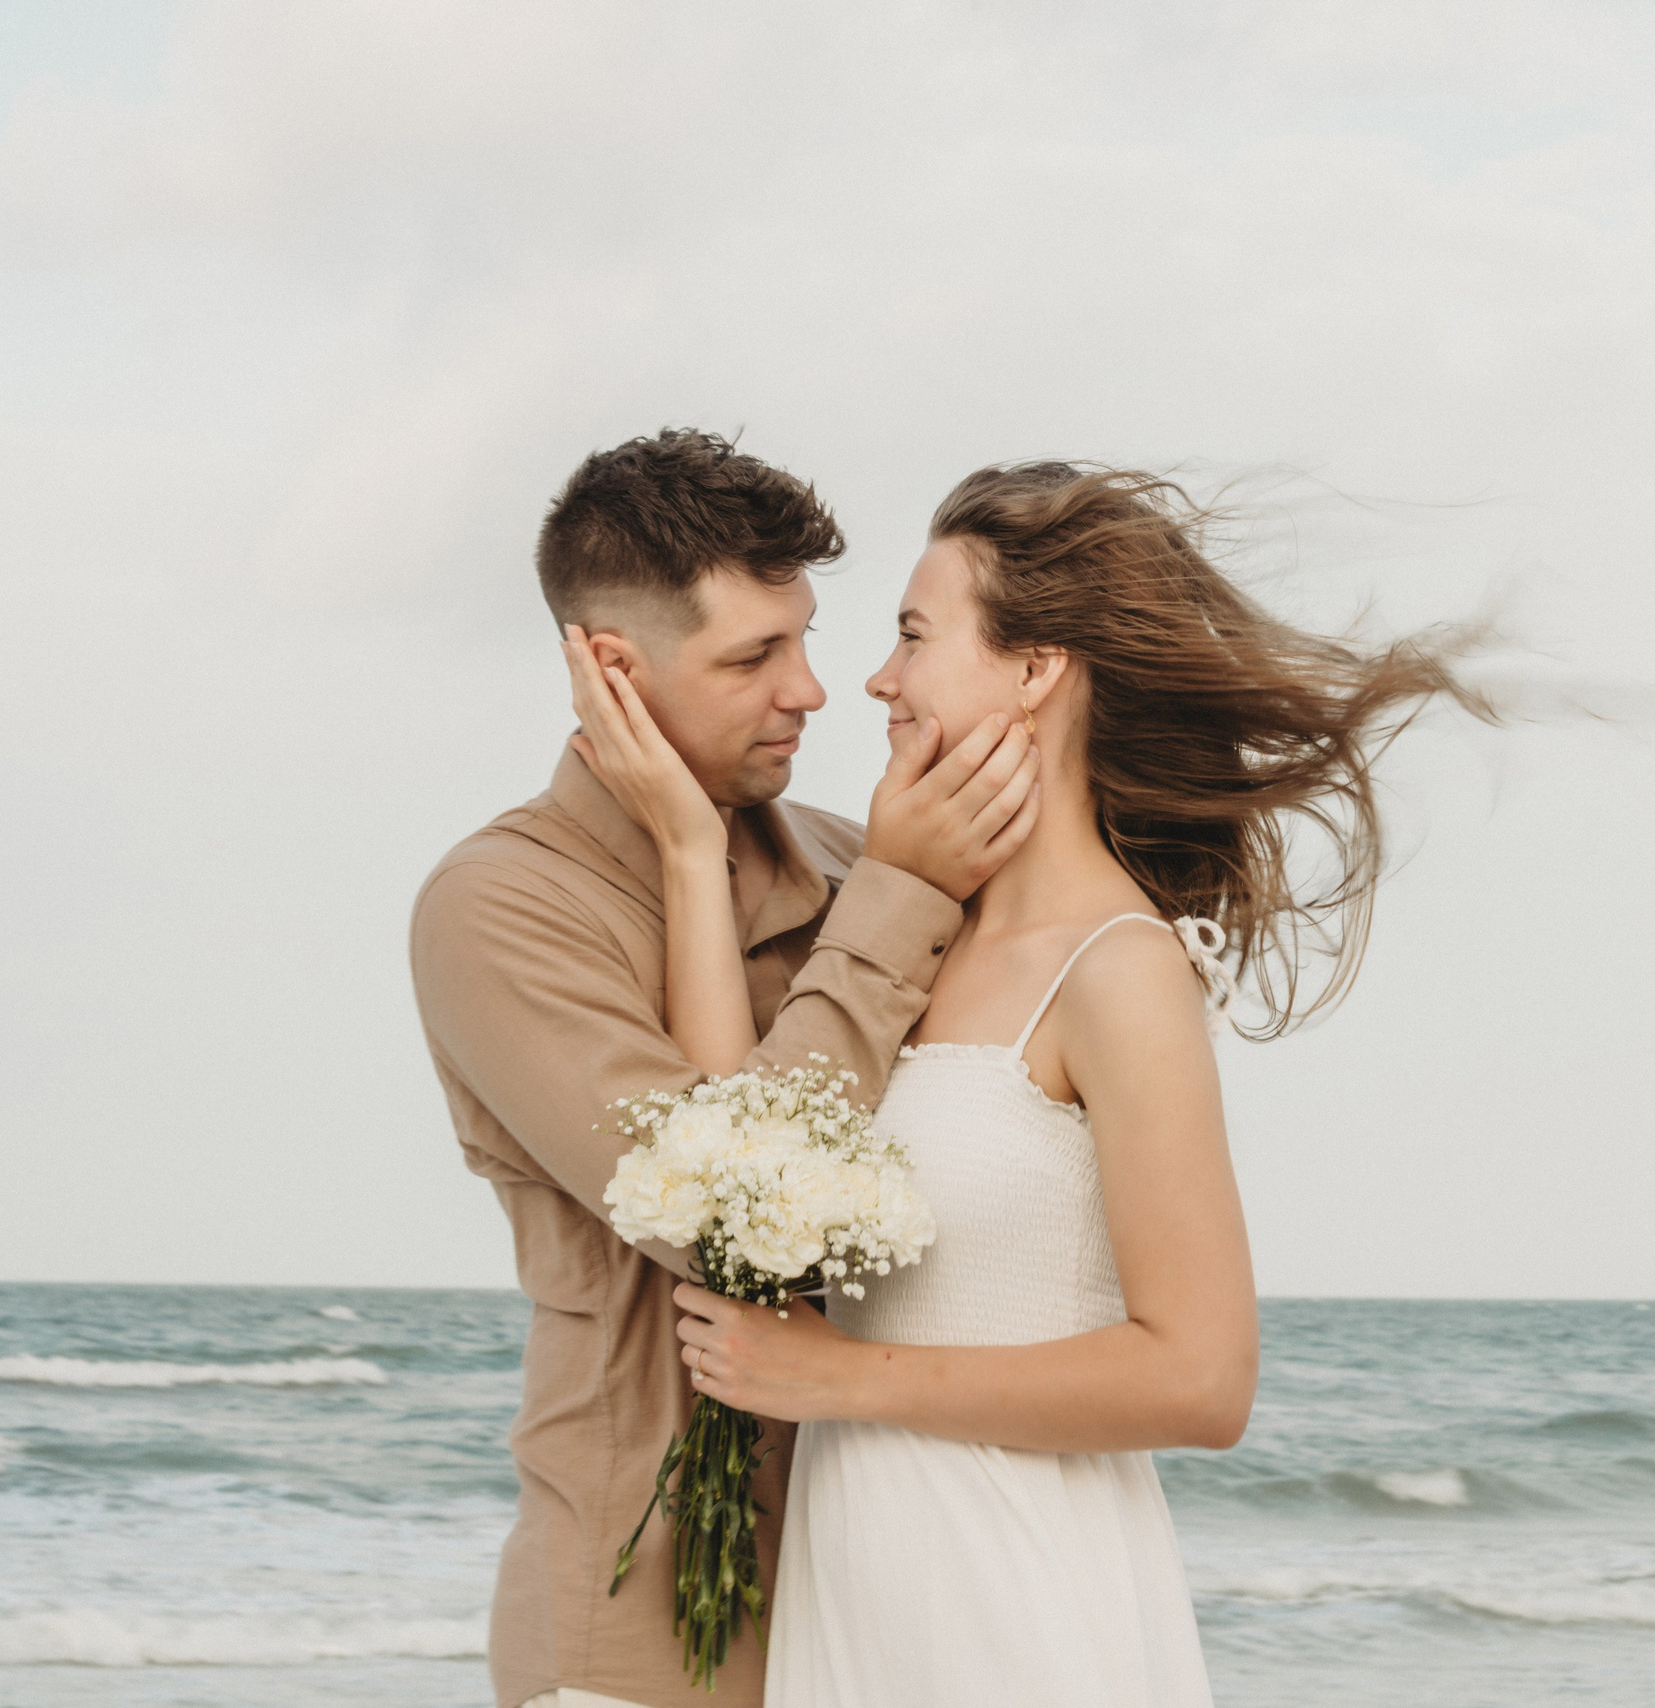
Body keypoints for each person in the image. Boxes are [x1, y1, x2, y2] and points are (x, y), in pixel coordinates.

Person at [566, 461, 1493, 1707]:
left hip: (1013, 1591)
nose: (877, 682)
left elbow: (1202, 1377)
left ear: (1035, 668)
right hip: (861, 1584)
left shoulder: (1121, 971)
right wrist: (688, 844)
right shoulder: (905, 933)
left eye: (910, 636)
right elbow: (741, 1167)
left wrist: (842, 1380)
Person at [409, 429, 1040, 1708]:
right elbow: (734, 1224)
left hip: (894, 1593)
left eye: (806, 638)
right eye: (755, 656)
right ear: (612, 670)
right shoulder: (500, 909)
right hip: (647, 1631)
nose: (809, 690)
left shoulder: (854, 861)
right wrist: (901, 894)